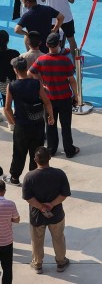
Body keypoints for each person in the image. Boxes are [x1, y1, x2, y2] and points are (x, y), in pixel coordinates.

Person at [3, 56, 51, 187]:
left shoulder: (12, 86)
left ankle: (14, 178)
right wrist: (50, 116)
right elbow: (46, 101)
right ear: (26, 68)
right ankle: (34, 178)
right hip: (37, 124)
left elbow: (7, 108)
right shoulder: (36, 83)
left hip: (22, 126)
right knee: (36, 152)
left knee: (19, 152)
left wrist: (14, 122)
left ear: (15, 70)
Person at [23, 147, 71, 274]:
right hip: (56, 215)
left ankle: (37, 264)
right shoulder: (60, 174)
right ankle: (61, 262)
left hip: (37, 216)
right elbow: (64, 194)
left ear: (35, 160)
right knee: (59, 238)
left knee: (37, 241)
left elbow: (28, 198)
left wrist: (41, 207)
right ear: (49, 158)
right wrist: (51, 204)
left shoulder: (29, 177)